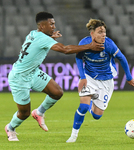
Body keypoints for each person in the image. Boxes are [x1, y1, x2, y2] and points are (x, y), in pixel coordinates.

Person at [5, 12, 104, 141]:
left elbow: (38, 43)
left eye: (54, 24)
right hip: (19, 77)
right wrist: (89, 46)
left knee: (57, 92)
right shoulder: (44, 38)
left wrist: (51, 36)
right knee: (24, 113)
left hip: (33, 72)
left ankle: (39, 112)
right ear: (41, 26)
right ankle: (10, 128)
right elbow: (65, 49)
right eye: (51, 24)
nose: (54, 26)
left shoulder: (33, 33)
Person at [66, 19, 134, 143]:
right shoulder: (84, 43)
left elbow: (122, 58)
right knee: (82, 107)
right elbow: (78, 58)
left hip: (106, 81)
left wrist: (129, 77)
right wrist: (82, 77)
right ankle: (73, 136)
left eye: (104, 32)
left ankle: (91, 102)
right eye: (100, 32)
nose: (103, 34)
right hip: (89, 78)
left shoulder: (109, 44)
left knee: (97, 116)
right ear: (92, 34)